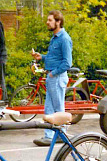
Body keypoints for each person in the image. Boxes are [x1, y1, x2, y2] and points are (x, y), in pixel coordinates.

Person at [31, 10, 72, 146]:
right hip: (52, 77)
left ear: (58, 22)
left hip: (57, 77)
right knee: (49, 108)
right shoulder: (55, 38)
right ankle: (49, 136)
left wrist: (53, 73)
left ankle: (62, 134)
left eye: (50, 20)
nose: (47, 22)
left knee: (58, 107)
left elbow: (67, 63)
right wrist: (41, 57)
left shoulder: (64, 39)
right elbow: (53, 58)